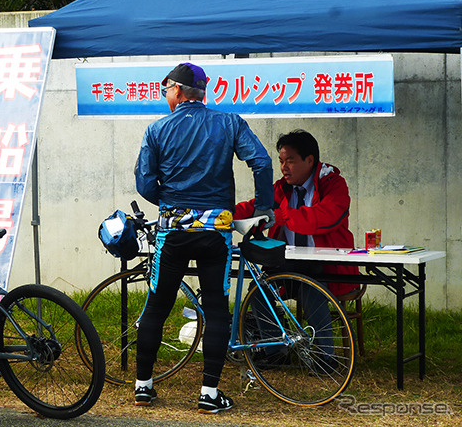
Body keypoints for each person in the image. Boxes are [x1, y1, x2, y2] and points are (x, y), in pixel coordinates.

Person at [134, 62, 274, 414]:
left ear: (178, 91)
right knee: (215, 309)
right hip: (216, 233)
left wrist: (172, 202)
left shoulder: (157, 130)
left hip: (173, 232)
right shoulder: (229, 122)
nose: (166, 95)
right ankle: (209, 393)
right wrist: (264, 208)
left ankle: (143, 386)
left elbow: (145, 183)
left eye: (167, 89)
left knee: (157, 306)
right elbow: (261, 161)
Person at [235, 129, 359, 368]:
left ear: (309, 160)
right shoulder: (282, 188)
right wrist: (224, 213)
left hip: (327, 267)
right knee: (259, 290)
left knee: (311, 288)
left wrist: (282, 216)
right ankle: (276, 353)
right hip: (287, 264)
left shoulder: (333, 184)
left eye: (290, 161)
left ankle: (326, 358)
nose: (284, 167)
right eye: (281, 161)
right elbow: (254, 207)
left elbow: (325, 217)